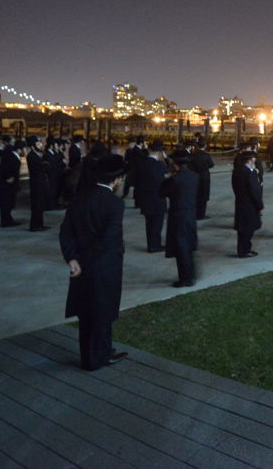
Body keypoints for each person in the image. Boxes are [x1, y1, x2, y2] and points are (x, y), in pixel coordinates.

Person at [59, 153, 129, 371]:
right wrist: (86, 259)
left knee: (87, 313)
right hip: (104, 266)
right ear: (116, 180)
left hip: (80, 267)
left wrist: (72, 259)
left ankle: (93, 354)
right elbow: (108, 239)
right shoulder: (115, 204)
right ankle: (98, 358)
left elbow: (65, 232)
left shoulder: (79, 199)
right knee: (103, 312)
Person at [160, 150, 199, 288]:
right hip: (190, 213)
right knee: (187, 245)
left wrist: (167, 178)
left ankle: (185, 278)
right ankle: (190, 274)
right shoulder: (194, 176)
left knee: (180, 247)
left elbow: (162, 192)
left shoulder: (175, 179)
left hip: (178, 215)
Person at [135, 140, 168, 252]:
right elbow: (170, 171)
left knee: (149, 224)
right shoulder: (159, 165)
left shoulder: (141, 164)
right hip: (158, 198)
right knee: (157, 225)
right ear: (160, 152)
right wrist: (166, 158)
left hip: (145, 198)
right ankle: (155, 245)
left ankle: (151, 244)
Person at [232, 151, 263, 258]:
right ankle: (245, 250)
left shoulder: (237, 171)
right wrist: (260, 206)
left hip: (240, 203)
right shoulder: (250, 174)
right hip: (250, 205)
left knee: (242, 229)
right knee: (248, 229)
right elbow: (255, 191)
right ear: (250, 160)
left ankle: (242, 249)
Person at [0, 139, 25, 226]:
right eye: (23, 149)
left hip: (8, 185)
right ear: (19, 149)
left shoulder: (12, 156)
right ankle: (6, 222)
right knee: (6, 203)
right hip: (6, 185)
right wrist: (8, 177)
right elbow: (5, 168)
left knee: (7, 203)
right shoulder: (12, 157)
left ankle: (8, 220)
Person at [26, 135, 50, 231]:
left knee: (40, 205)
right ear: (32, 146)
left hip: (40, 183)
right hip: (36, 184)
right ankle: (35, 226)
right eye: (37, 144)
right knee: (36, 205)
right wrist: (46, 165)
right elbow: (43, 168)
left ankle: (40, 224)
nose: (40, 145)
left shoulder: (38, 155)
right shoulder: (31, 156)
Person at [188, 140, 215, 219]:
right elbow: (211, 165)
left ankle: (194, 212)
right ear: (205, 146)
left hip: (194, 175)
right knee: (204, 195)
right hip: (204, 176)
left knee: (195, 194)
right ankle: (201, 214)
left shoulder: (192, 154)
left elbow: (189, 165)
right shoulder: (206, 155)